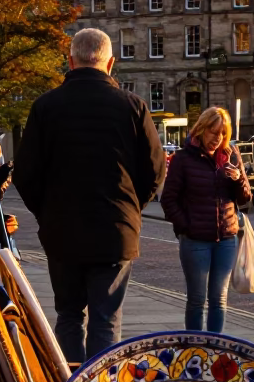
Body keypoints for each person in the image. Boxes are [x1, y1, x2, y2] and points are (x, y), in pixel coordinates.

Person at [13, 28, 166, 363]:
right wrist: (130, 207)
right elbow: (155, 169)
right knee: (106, 317)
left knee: (68, 314)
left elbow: (24, 173)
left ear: (70, 61)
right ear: (110, 63)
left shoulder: (46, 107)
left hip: (62, 229)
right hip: (115, 229)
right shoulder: (133, 107)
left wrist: (47, 211)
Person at [160, 107, 251, 333]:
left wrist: (238, 179)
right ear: (201, 130)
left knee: (219, 300)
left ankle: (214, 350)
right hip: (195, 240)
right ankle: (195, 348)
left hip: (226, 238)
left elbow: (246, 198)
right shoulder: (183, 158)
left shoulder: (231, 154)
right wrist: (186, 227)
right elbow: (168, 199)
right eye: (213, 132)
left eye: (222, 133)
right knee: (197, 299)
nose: (217, 138)